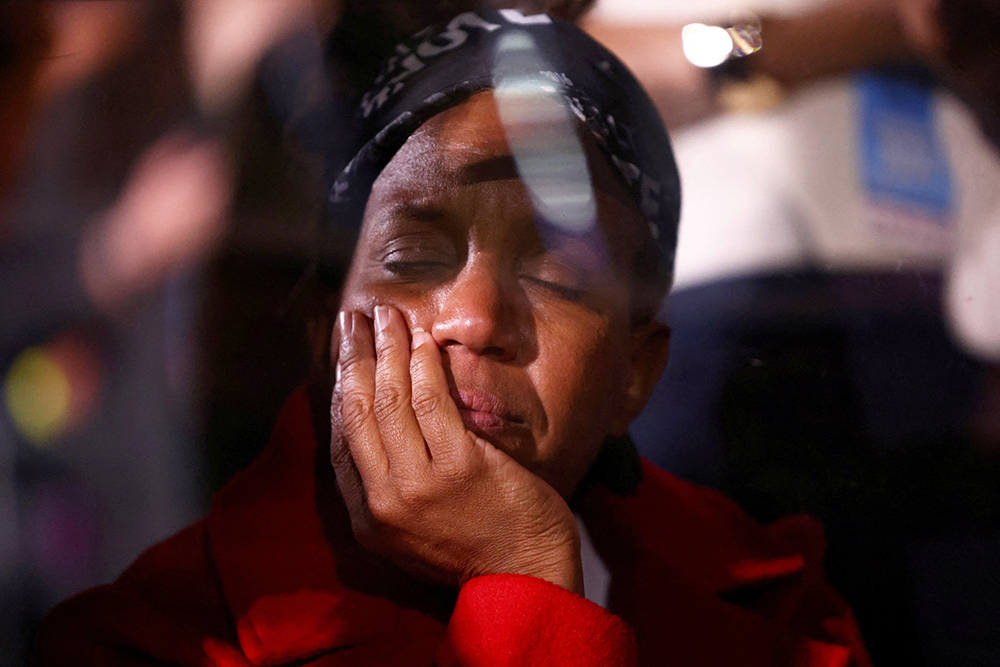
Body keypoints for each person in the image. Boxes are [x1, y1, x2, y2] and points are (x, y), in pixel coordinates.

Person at [34, 9, 870, 666]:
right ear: (331, 330)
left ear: (636, 372)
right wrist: (525, 582)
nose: (474, 318)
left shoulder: (788, 622)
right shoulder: (153, 638)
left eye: (558, 275)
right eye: (413, 257)